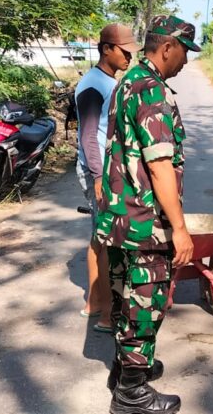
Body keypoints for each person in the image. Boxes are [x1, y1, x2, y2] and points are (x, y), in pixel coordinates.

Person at [96, 15, 200, 414]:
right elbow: (159, 167)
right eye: (184, 53)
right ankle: (132, 395)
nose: (186, 62)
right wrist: (180, 229)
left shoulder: (128, 81)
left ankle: (125, 371)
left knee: (125, 296)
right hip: (144, 223)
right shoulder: (152, 92)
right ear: (168, 47)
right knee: (145, 302)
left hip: (120, 217)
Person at [76, 23, 142, 333]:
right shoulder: (93, 85)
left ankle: (95, 303)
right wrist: (98, 177)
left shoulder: (106, 81)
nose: (130, 56)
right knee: (105, 239)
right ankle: (105, 314)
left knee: (100, 237)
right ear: (106, 49)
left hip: (105, 171)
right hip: (98, 172)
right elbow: (90, 137)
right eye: (125, 51)